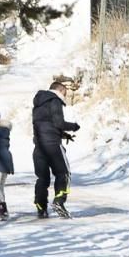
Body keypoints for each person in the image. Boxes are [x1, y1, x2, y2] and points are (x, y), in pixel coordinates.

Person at [32, 81, 79, 218]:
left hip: (39, 146)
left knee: (42, 178)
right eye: (65, 94)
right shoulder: (54, 101)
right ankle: (59, 201)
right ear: (60, 90)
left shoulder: (38, 104)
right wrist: (74, 126)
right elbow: (59, 123)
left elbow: (46, 125)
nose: (65, 97)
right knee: (64, 173)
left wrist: (63, 134)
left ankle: (41, 206)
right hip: (53, 145)